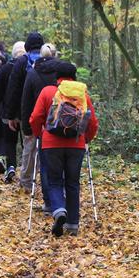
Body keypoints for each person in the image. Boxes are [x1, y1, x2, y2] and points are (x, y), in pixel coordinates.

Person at [29, 65, 99, 237]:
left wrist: (40, 134)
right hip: (76, 145)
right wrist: (86, 138)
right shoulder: (82, 94)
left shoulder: (47, 92)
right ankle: (73, 224)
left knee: (54, 181)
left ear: (56, 76)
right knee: (73, 183)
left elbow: (35, 117)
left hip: (51, 144)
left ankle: (59, 210)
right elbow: (93, 122)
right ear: (74, 77)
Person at [20, 47, 74, 213]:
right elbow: (90, 118)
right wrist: (86, 136)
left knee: (46, 168)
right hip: (73, 136)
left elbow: (30, 108)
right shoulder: (78, 91)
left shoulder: (35, 76)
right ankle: (68, 209)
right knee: (70, 175)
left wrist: (33, 131)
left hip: (48, 134)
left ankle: (50, 203)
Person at [0, 41, 26, 181]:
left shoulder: (5, 69)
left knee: (10, 142)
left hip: (8, 111)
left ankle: (11, 166)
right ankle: (26, 169)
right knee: (26, 142)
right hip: (25, 111)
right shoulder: (28, 68)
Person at [5, 32, 45, 134]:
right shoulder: (48, 61)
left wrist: (11, 115)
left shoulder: (21, 62)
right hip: (47, 113)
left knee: (29, 145)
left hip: (25, 112)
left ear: (27, 46)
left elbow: (13, 90)